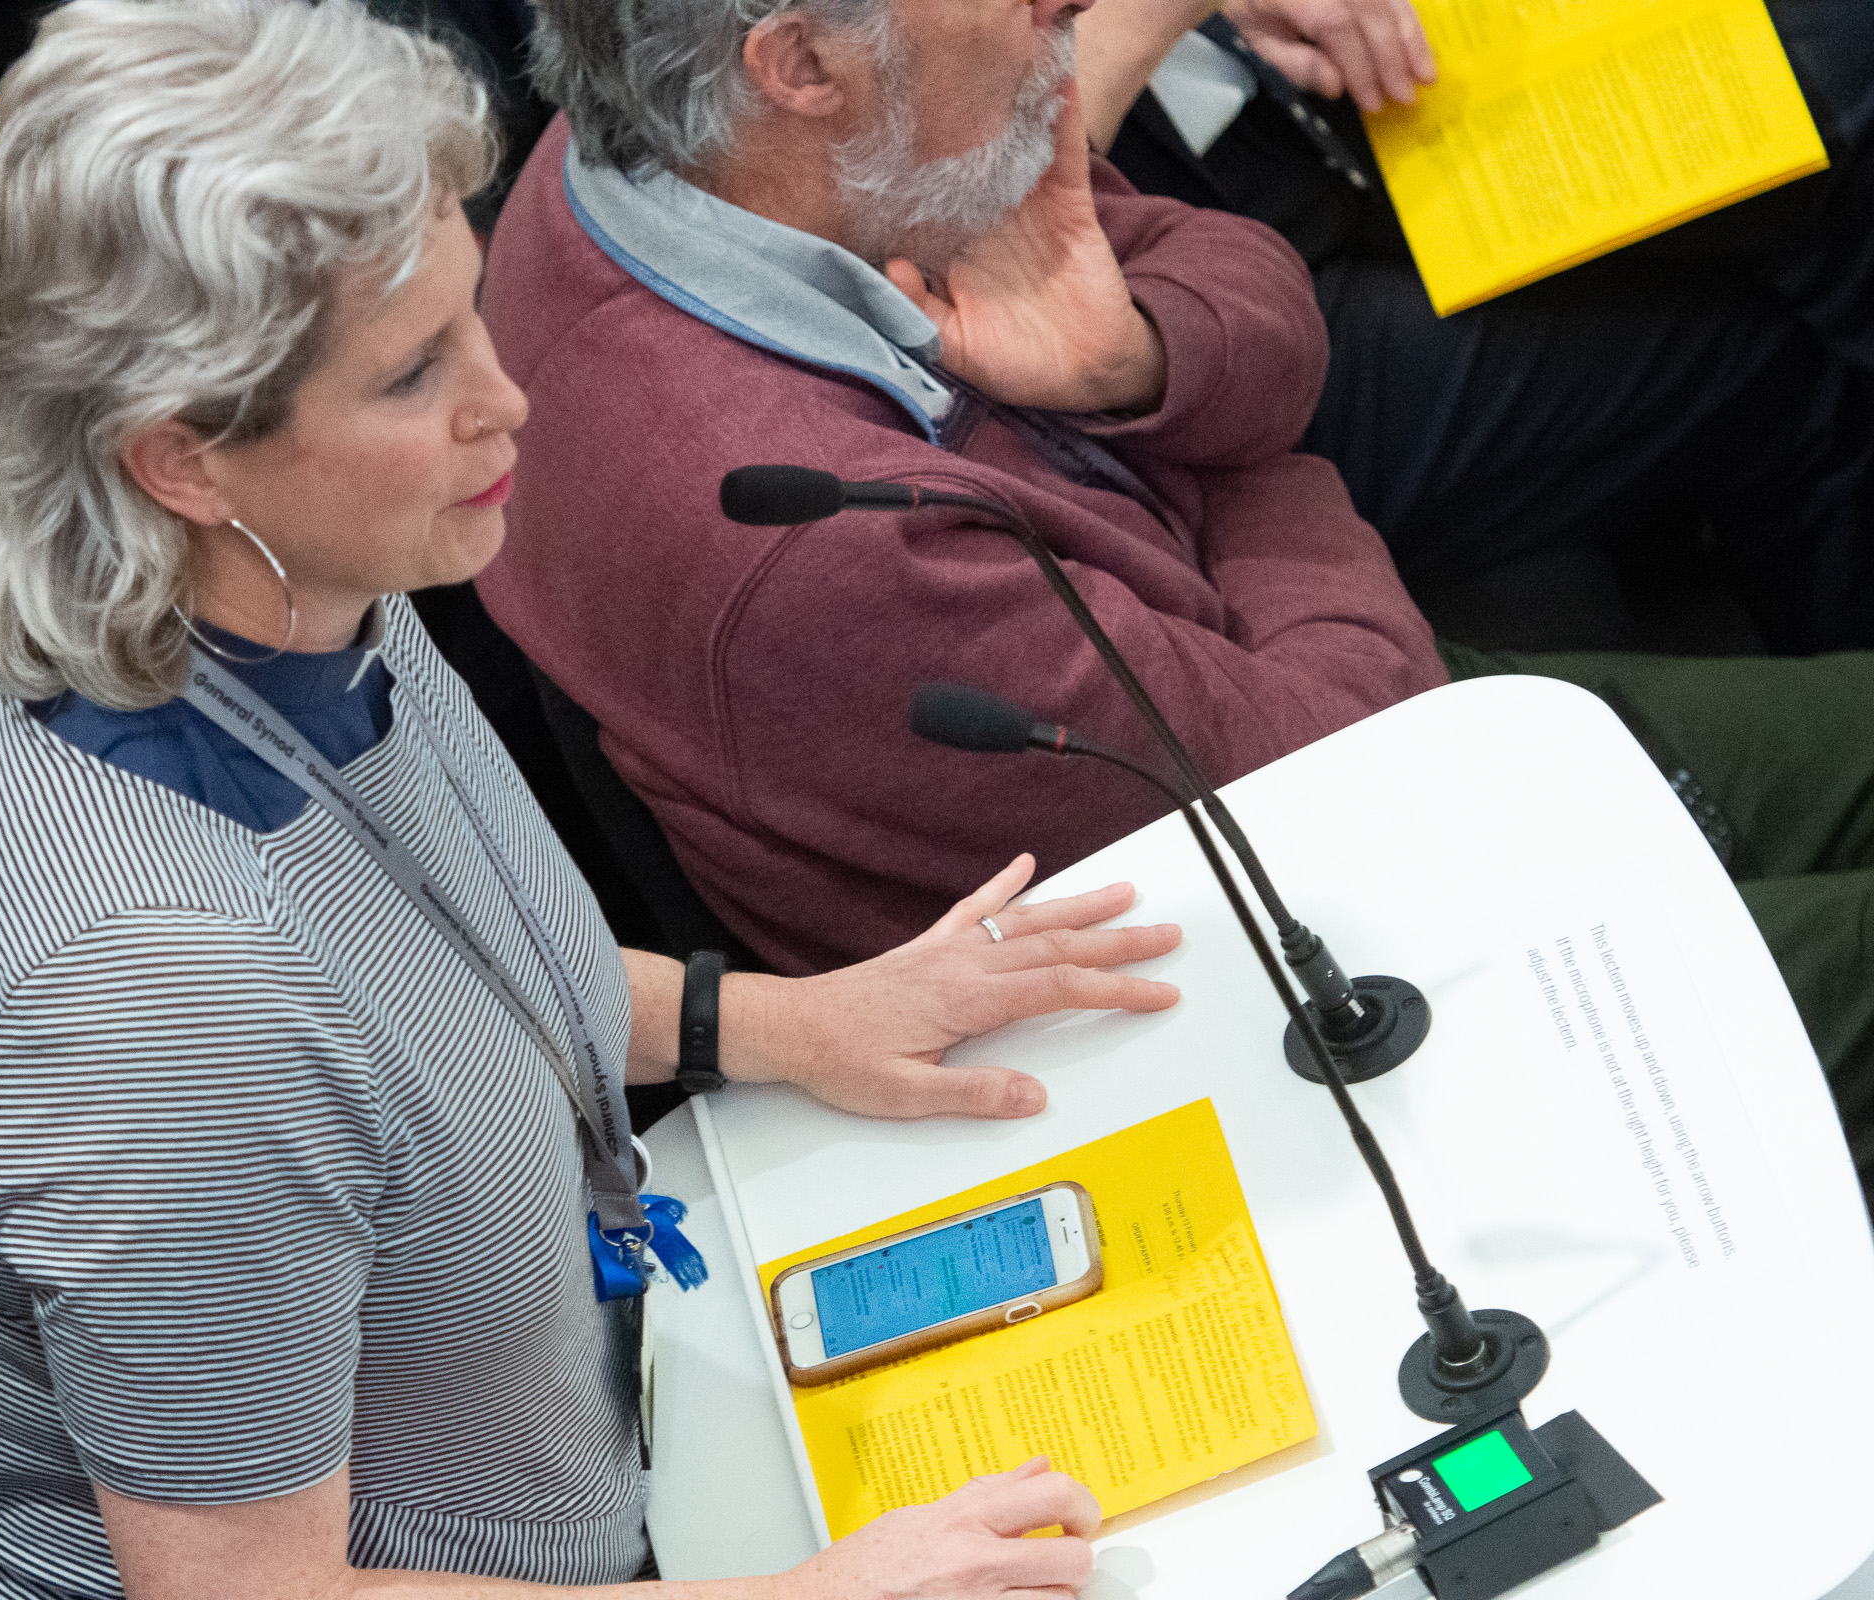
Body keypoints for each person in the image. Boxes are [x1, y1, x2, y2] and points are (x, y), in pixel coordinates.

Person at [0, 4, 1187, 1595]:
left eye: (470, 310)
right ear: (185, 460)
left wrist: (786, 1021)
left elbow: (414, 979)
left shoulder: (288, 584)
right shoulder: (161, 1012)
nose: (506, 404)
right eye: (416, 372)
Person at [473, 0, 1874, 1193]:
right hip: (1295, 993)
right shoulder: (796, 540)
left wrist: (1134, 366)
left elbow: (1245, 286)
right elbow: (1360, 772)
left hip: (1326, 722)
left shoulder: (735, 152)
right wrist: (1218, 432)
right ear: (800, 65)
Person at [1073, 0, 1874, 649]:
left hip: (1283, 108)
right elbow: (1012, 227)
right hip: (1176, 321)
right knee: (1764, 352)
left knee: (1821, 106)